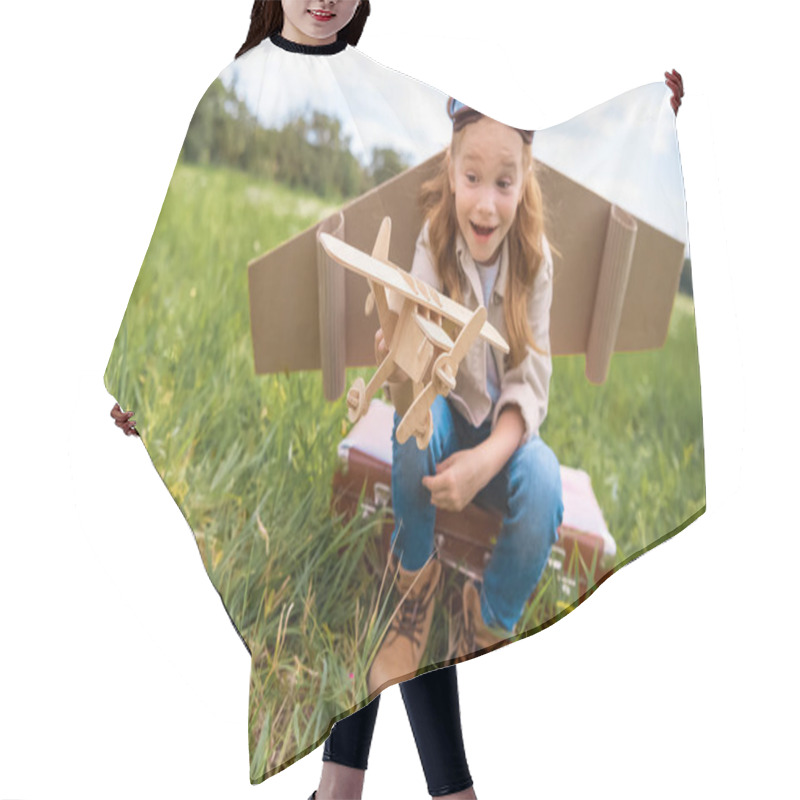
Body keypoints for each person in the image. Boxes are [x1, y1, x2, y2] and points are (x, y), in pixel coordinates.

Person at [108, 5, 686, 798]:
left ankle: (476, 626)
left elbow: (532, 382)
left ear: (526, 186)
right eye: (471, 178)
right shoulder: (416, 221)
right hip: (436, 404)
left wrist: (648, 110)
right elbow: (172, 232)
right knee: (410, 440)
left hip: (501, 435)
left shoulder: (532, 259)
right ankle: (412, 580)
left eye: (504, 181)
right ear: (448, 174)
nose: (485, 201)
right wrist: (136, 382)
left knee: (544, 486)